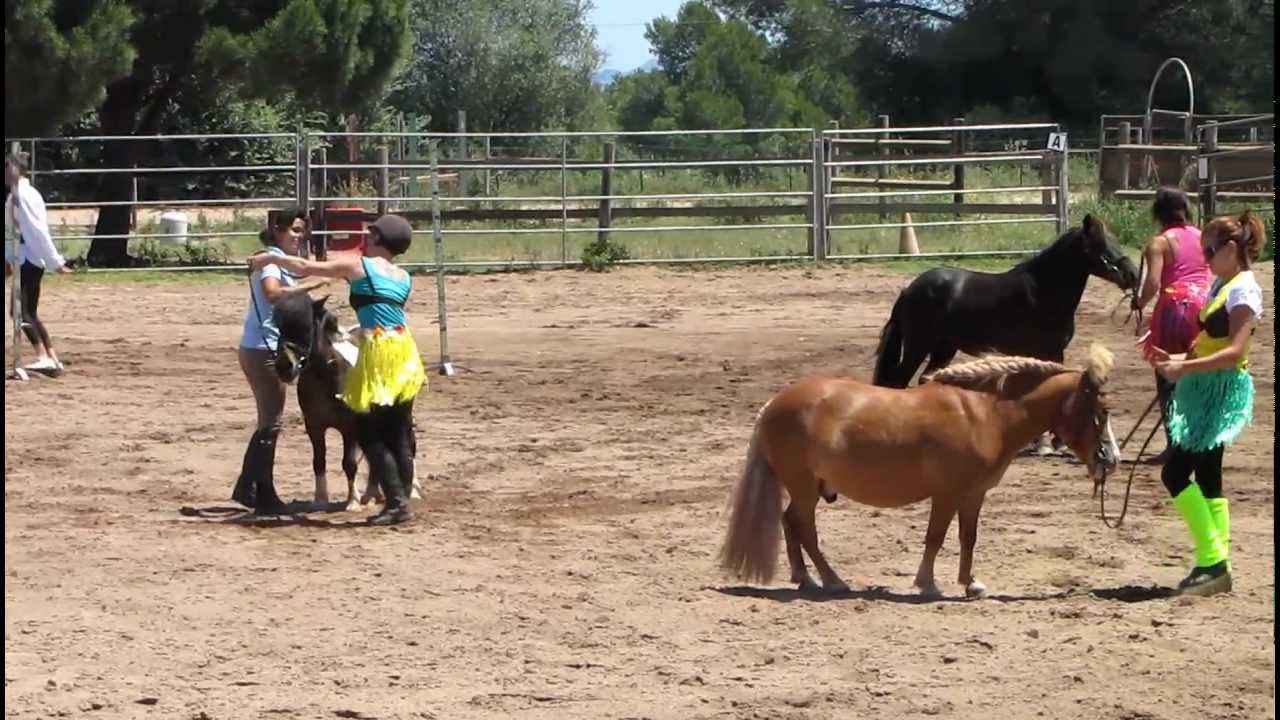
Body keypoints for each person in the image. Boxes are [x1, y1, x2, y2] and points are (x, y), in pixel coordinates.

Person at [248, 214, 425, 525]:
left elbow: (304, 268)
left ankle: (397, 504)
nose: (366, 238)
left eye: (371, 235)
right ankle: (402, 497)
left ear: (379, 240)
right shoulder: (403, 276)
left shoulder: (359, 266)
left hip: (379, 349)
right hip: (404, 348)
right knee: (397, 428)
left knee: (370, 432)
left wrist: (267, 259)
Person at [1142, 211, 1266, 597]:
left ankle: (1212, 561)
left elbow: (1234, 352)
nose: (1206, 259)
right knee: (1209, 476)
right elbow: (1211, 343)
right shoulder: (1221, 285)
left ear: (1231, 249)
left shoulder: (1244, 290)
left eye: (1209, 251)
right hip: (1203, 388)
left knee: (1175, 474)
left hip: (1219, 392)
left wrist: (1185, 365)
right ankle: (1217, 565)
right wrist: (1173, 357)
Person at [231, 207, 331, 514]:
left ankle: (248, 487)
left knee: (268, 421)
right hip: (264, 348)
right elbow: (273, 294)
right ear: (277, 230)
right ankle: (263, 494)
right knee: (270, 423)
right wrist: (309, 287)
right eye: (295, 231)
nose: (299, 237)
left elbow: (303, 267)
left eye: (303, 232)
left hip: (263, 346)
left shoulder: (278, 260)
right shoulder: (271, 261)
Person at [1132, 188, 1213, 464]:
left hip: (1173, 307)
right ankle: (1199, 440)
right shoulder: (1203, 236)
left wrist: (1138, 301)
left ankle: (1175, 445)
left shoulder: (1160, 243)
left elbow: (1153, 283)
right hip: (1203, 307)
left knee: (1167, 374)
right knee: (1196, 370)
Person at [6, 152, 71, 376]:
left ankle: (42, 356)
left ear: (16, 170)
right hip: (24, 256)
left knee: (21, 312)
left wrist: (55, 261)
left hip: (27, 257)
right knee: (29, 312)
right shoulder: (24, 193)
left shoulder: (21, 196)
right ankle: (52, 358)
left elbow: (37, 231)